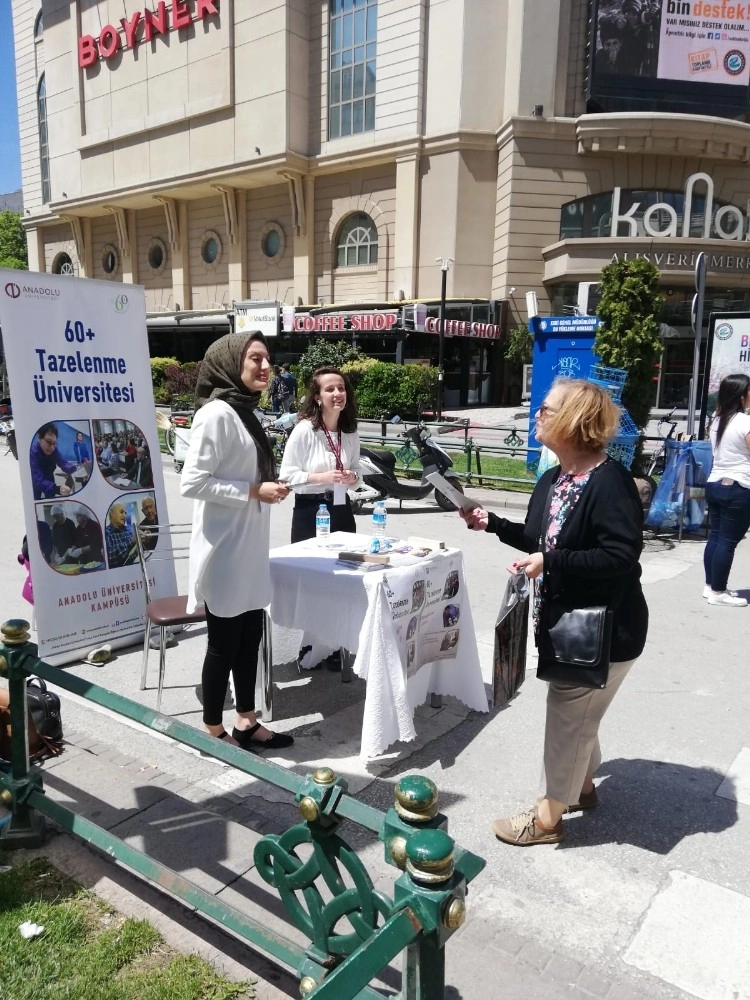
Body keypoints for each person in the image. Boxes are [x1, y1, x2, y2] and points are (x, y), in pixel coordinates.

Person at [461, 379, 648, 846]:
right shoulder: (553, 478)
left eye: (545, 409)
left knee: (568, 712)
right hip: (565, 622)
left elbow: (620, 557)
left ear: (575, 419)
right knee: (580, 712)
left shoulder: (610, 482)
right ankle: (581, 788)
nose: (536, 416)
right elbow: (539, 539)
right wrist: (492, 524)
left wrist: (552, 560)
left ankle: (547, 820)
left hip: (603, 630)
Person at [180, 331, 293, 751]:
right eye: (256, 358)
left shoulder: (244, 412)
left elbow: (244, 474)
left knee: (250, 641)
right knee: (223, 645)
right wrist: (253, 491)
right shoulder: (216, 414)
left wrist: (267, 486)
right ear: (230, 363)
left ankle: (246, 720)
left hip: (249, 548)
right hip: (226, 551)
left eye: (268, 359)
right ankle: (212, 729)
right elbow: (192, 483)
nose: (266, 367)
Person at [280, 366, 362, 544]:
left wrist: (352, 476)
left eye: (341, 388)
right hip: (310, 510)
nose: (337, 393)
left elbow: (357, 472)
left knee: (347, 566)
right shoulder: (304, 430)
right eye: (330, 389)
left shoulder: (350, 431)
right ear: (317, 397)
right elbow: (287, 478)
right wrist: (320, 477)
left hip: (343, 508)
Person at [703, 373, 750, 607]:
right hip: (738, 486)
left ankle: (711, 585)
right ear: (741, 395)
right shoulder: (744, 422)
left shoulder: (716, 419)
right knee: (727, 541)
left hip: (715, 483)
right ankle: (719, 592)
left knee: (716, 537)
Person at [30, 422, 78, 500]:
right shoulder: (33, 453)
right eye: (48, 442)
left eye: (54, 443)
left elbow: (63, 463)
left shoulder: (54, 450)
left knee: (51, 499)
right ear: (39, 438)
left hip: (49, 476)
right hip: (36, 482)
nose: (52, 447)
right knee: (36, 500)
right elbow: (37, 480)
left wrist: (75, 470)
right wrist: (57, 489)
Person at [105, 501, 136, 568]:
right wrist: (131, 541)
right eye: (121, 512)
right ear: (112, 513)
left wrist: (143, 540)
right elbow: (109, 556)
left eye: (125, 513)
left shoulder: (129, 530)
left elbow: (135, 552)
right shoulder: (106, 533)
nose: (124, 515)